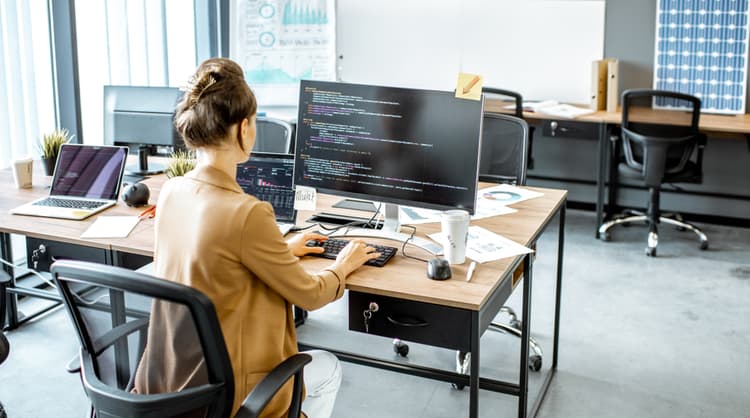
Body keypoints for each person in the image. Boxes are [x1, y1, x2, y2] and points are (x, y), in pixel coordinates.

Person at [133, 57, 380, 418]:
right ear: (243, 128)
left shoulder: (171, 191)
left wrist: (283, 250)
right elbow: (310, 295)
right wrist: (343, 267)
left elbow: (216, 261)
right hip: (233, 397)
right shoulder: (247, 213)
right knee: (327, 367)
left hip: (172, 390)